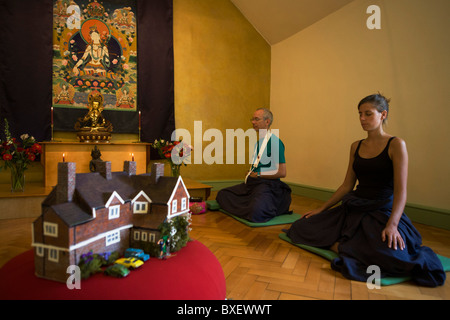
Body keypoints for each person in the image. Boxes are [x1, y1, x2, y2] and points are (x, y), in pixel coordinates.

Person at [285, 94, 446, 287]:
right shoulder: (356, 146)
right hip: (355, 206)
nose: (362, 119)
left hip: (381, 211)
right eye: (360, 114)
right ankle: (349, 245)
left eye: (368, 114)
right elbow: (347, 185)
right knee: (301, 227)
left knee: (392, 255)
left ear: (383, 114)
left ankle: (345, 245)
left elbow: (401, 191)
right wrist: (322, 208)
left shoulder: (396, 144)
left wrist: (392, 225)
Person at [216, 108, 292, 222]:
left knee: (257, 212)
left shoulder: (275, 142)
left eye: (256, 119)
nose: (253, 122)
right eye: (252, 119)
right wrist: (252, 172)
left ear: (267, 121)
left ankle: (260, 206)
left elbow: (282, 172)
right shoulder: (259, 143)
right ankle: (252, 204)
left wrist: (259, 175)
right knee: (222, 194)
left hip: (268, 185)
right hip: (253, 184)